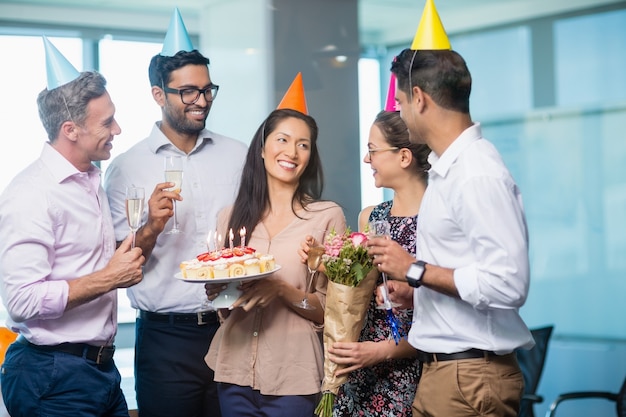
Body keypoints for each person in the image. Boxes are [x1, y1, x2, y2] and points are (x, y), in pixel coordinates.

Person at [367, 2, 535, 415]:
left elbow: (508, 284)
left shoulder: (477, 173)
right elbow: (464, 267)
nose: (401, 113)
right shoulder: (448, 171)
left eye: (402, 103)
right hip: (448, 375)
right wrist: (418, 291)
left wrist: (416, 270)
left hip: (471, 379)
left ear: (419, 99)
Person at [103, 9, 247, 417]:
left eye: (207, 90)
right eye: (187, 92)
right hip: (164, 341)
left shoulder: (237, 155)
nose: (201, 101)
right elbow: (117, 261)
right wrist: (151, 226)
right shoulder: (127, 168)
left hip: (233, 327)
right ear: (157, 94)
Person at [0, 38, 144, 417]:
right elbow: (21, 302)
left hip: (100, 370)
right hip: (51, 377)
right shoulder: (31, 193)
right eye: (107, 121)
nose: (118, 128)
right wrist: (109, 278)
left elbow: (89, 262)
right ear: (70, 129)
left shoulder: (90, 180)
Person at [204, 75, 346, 416]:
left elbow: (332, 313)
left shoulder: (326, 217)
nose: (292, 151)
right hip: (233, 372)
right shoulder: (229, 219)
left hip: (293, 376)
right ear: (263, 147)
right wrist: (218, 292)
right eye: (283, 139)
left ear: (310, 156)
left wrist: (281, 289)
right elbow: (226, 308)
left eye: (303, 144)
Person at [328, 110, 429, 417]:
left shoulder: (438, 220)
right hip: (360, 368)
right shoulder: (371, 217)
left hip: (413, 372)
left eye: (372, 150)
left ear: (404, 157)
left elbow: (445, 316)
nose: (366, 159)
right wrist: (324, 263)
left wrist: (381, 351)